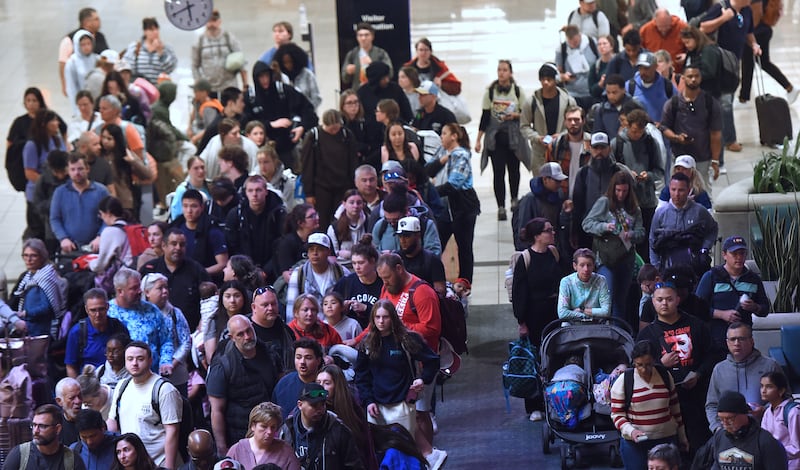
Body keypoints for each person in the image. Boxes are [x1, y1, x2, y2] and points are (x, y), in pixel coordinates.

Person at [354, 299, 441, 467]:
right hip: (376, 406)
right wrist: (368, 400)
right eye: (377, 317)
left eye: (385, 317)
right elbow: (361, 375)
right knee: (378, 450)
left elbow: (432, 361)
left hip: (401, 403)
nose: (381, 321)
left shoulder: (406, 339)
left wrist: (422, 379)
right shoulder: (367, 343)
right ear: (372, 319)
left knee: (404, 450)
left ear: (392, 318)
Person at [637, 281, 716, 455]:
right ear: (653, 302)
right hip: (663, 402)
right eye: (659, 300)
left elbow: (712, 354)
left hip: (696, 398)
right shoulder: (646, 334)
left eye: (669, 299)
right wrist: (660, 365)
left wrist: (698, 373)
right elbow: (637, 370)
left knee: (698, 448)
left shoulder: (697, 325)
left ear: (678, 300)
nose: (664, 303)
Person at [207, 315, 283, 456]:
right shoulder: (223, 365)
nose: (247, 336)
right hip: (239, 437)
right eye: (240, 334)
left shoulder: (269, 352)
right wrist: (222, 447)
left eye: (249, 330)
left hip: (271, 432)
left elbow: (280, 388)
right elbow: (216, 410)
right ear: (231, 337)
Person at [512, 217, 563, 420]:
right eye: (548, 230)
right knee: (534, 360)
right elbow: (519, 293)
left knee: (555, 356)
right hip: (534, 314)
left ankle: (555, 400)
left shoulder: (554, 253)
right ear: (537, 236)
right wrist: (521, 321)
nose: (552, 233)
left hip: (554, 312)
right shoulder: (525, 259)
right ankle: (534, 405)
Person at [611, 340, 688, 469]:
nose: (644, 369)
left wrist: (682, 436)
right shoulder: (625, 380)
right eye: (639, 365)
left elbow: (675, 409)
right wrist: (631, 431)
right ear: (634, 362)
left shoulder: (664, 375)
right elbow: (617, 415)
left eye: (648, 364)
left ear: (654, 361)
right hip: (635, 443)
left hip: (666, 439)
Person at [107, 341, 183, 469]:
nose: (134, 363)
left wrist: (169, 467)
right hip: (131, 464)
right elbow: (112, 423)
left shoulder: (164, 389)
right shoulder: (121, 386)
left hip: (158, 462)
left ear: (150, 360)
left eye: (140, 359)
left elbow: (172, 431)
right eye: (130, 359)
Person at [582, 171, 645, 321]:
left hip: (626, 258)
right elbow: (586, 224)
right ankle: (603, 330)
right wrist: (604, 226)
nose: (621, 194)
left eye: (624, 191)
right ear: (613, 189)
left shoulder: (634, 209)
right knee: (607, 298)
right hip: (606, 257)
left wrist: (632, 234)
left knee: (620, 300)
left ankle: (617, 333)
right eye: (618, 190)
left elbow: (642, 232)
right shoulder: (604, 202)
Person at [700, 0, 761, 154]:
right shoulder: (720, 7)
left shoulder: (746, 10)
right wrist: (724, 18)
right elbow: (703, 27)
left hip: (733, 63)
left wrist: (754, 44)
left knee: (727, 99)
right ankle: (729, 139)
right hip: (718, 63)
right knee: (726, 102)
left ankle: (721, 135)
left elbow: (748, 32)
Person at [697, 236, 770, 358]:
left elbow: (765, 309)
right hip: (716, 339)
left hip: (743, 341)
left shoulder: (753, 279)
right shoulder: (711, 276)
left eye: (742, 253)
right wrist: (721, 314)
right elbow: (697, 308)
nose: (739, 257)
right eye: (734, 254)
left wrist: (754, 307)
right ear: (724, 255)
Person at [475, 60, 529, 221]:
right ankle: (500, 206)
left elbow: (526, 113)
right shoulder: (490, 92)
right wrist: (478, 140)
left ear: (510, 73)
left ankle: (514, 199)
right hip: (496, 139)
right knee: (498, 172)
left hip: (514, 138)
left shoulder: (518, 91)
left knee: (514, 170)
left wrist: (515, 115)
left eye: (505, 70)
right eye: (499, 70)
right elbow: (485, 117)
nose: (501, 73)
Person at [426, 123, 480, 280]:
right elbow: (427, 170)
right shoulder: (442, 151)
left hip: (462, 207)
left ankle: (465, 281)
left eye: (444, 133)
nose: (441, 136)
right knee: (437, 244)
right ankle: (433, 278)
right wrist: (441, 162)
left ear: (454, 136)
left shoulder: (461, 155)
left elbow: (454, 184)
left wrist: (432, 194)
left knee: (464, 247)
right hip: (444, 207)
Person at [705, 322, 781, 433]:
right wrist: (717, 429)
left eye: (741, 339)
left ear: (752, 341)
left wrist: (765, 410)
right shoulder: (719, 369)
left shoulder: (770, 366)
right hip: (729, 434)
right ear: (727, 343)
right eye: (733, 339)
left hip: (765, 431)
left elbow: (785, 398)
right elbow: (711, 405)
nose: (737, 343)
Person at [660, 63, 723, 191]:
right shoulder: (673, 103)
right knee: (678, 191)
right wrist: (677, 138)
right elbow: (664, 127)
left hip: (702, 158)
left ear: (701, 78)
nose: (693, 79)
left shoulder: (710, 102)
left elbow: (716, 133)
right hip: (679, 157)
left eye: (696, 76)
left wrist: (715, 161)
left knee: (703, 191)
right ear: (683, 78)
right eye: (689, 76)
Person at [246, 61, 318, 169]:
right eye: (261, 77)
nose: (265, 80)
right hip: (260, 151)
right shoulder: (251, 97)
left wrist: (302, 127)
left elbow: (308, 109)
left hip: (287, 147)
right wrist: (270, 125)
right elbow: (246, 123)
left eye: (267, 76)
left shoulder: (284, 91)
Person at [693, 390, 788, 470]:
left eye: (730, 418)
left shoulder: (766, 442)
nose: (725, 423)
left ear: (744, 414)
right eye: (721, 419)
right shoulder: (719, 437)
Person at [139, 228, 212, 332]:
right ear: (164, 245)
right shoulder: (150, 269)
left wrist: (202, 324)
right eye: (174, 244)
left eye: (182, 245)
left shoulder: (196, 270)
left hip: (191, 332)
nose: (178, 248)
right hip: (153, 330)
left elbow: (209, 299)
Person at [107, 268, 175, 375]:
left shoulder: (151, 310)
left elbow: (166, 340)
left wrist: (165, 362)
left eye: (139, 286)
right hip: (119, 376)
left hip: (152, 374)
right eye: (134, 288)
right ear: (120, 291)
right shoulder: (107, 312)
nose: (140, 291)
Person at [520, 63, 578, 187]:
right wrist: (537, 137)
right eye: (543, 79)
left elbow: (576, 124)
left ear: (555, 80)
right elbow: (524, 126)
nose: (546, 82)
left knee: (563, 185)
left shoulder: (568, 100)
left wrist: (562, 135)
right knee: (540, 186)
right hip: (540, 152)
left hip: (562, 150)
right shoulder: (531, 102)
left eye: (549, 79)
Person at [649, 172, 718, 273]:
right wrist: (656, 266)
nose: (677, 194)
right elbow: (652, 240)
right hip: (668, 267)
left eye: (681, 190)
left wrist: (705, 249)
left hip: (694, 266)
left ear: (689, 190)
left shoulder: (699, 211)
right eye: (673, 190)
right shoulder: (660, 214)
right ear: (669, 190)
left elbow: (713, 228)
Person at [301, 109, 359, 229]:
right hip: (321, 187)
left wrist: (354, 186)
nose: (333, 131)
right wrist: (309, 193)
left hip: (343, 186)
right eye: (330, 128)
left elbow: (353, 162)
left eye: (336, 127)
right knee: (322, 222)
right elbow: (307, 166)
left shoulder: (346, 135)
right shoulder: (313, 136)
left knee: (341, 221)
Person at [571, 131, 629, 250]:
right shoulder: (583, 173)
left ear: (610, 148)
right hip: (587, 231)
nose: (599, 152)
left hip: (614, 233)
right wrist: (574, 231)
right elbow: (577, 205)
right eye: (596, 147)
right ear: (590, 148)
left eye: (602, 147)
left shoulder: (619, 172)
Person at [141, 273, 192, 396]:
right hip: (146, 375)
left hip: (176, 376)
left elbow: (186, 341)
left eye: (166, 287)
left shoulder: (175, 313)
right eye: (160, 288)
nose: (165, 291)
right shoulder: (139, 315)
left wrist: (172, 363)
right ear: (147, 292)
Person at [316, 365, 376, 469]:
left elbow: (366, 448)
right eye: (318, 383)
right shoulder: (312, 410)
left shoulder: (352, 408)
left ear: (337, 385)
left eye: (327, 383)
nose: (321, 387)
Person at [225, 175, 286, 275]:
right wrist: (246, 269)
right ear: (245, 192)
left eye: (258, 190)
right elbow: (232, 245)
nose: (254, 194)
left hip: (273, 268)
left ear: (266, 191)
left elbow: (282, 245)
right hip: (243, 269)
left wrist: (266, 271)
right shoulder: (236, 214)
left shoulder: (278, 214)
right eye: (250, 190)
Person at [5, 238, 67, 337]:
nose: (28, 260)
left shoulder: (45, 278)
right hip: (28, 328)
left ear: (42, 256)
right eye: (25, 255)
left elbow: (47, 308)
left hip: (40, 331)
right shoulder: (29, 276)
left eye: (33, 256)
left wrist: (25, 313)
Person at [740, 1, 798, 104]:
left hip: (758, 30)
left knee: (748, 63)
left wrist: (747, 32)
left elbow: (754, 16)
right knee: (761, 63)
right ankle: (789, 88)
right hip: (762, 28)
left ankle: (743, 99)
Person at [23, 109, 67, 239]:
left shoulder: (57, 140)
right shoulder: (32, 145)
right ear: (44, 124)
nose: (57, 123)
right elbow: (29, 172)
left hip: (57, 193)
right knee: (39, 232)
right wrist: (49, 181)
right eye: (53, 120)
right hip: (39, 195)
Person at [65, 288, 129, 377]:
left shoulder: (118, 327)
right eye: (93, 310)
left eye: (101, 309)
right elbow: (70, 366)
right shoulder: (77, 332)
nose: (98, 314)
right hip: (89, 382)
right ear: (87, 310)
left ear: (107, 307)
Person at [2, 404, 87, 470]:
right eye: (34, 425)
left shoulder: (72, 460)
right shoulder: (20, 455)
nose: (36, 431)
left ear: (57, 429)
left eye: (42, 426)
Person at [285, 234, 350, 319]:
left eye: (319, 249)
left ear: (328, 252)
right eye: (311, 250)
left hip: (336, 326)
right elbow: (291, 307)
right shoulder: (298, 274)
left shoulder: (341, 272)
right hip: (309, 326)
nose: (315, 253)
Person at [225, 402, 300, 470]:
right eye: (264, 426)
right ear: (253, 426)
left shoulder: (285, 451)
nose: (269, 432)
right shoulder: (237, 450)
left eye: (273, 427)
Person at [99, 123, 153, 215]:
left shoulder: (126, 154)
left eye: (109, 138)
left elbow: (147, 174)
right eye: (103, 137)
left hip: (125, 203)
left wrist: (133, 161)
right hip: (105, 202)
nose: (105, 141)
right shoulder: (99, 156)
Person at [192, 9, 248, 94]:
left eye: (214, 21)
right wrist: (199, 85)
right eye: (209, 21)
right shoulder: (200, 41)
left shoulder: (228, 38)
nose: (211, 24)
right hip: (209, 88)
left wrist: (245, 85)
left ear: (219, 21)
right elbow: (195, 65)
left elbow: (241, 61)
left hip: (229, 86)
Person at [332, 237, 383, 329]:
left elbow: (392, 312)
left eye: (361, 263)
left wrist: (366, 308)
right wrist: (341, 308)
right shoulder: (346, 282)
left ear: (372, 261)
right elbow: (329, 308)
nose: (357, 267)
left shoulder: (383, 282)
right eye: (354, 263)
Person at [58, 8, 109, 98]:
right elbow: (63, 64)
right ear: (87, 22)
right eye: (96, 19)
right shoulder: (69, 40)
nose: (99, 21)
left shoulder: (100, 37)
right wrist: (65, 85)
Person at [271, 338, 324, 420]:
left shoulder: (324, 384)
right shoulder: (284, 384)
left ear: (318, 360)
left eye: (308, 358)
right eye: (298, 357)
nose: (302, 362)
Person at [394, 216, 446, 296]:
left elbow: (440, 292)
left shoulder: (431, 260)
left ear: (418, 235)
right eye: (400, 236)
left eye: (407, 236)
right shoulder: (395, 259)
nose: (402, 240)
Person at [547, 106, 591, 198]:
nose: (573, 123)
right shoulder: (556, 145)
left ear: (583, 121)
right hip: (561, 195)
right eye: (569, 120)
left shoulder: (592, 144)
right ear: (565, 122)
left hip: (586, 195)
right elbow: (548, 173)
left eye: (576, 119)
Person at [249, 285, 296, 370]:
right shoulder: (244, 330)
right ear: (254, 307)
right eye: (265, 305)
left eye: (273, 304)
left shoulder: (286, 331)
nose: (270, 308)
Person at [760, 371, 800, 469]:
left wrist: (774, 452)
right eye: (762, 386)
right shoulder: (767, 412)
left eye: (769, 387)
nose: (763, 390)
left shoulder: (793, 412)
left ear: (781, 391)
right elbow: (764, 440)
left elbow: (797, 448)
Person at [557, 248, 611, 320]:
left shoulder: (601, 280)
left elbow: (606, 311)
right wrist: (587, 314)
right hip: (572, 326)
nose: (586, 269)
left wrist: (581, 310)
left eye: (589, 265)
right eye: (582, 265)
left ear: (593, 266)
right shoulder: (566, 282)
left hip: (596, 325)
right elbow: (562, 313)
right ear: (575, 266)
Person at [122, 17, 178, 85]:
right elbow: (127, 67)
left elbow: (170, 69)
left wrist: (161, 54)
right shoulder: (135, 47)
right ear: (145, 31)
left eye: (156, 29)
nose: (155, 32)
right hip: (139, 87)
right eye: (151, 30)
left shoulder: (167, 49)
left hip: (158, 87)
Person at [555, 25, 599, 108]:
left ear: (580, 35)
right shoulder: (562, 50)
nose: (573, 45)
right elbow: (557, 74)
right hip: (573, 93)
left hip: (592, 92)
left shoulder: (592, 43)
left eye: (575, 42)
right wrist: (563, 77)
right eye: (570, 42)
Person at [626, 51, 677, 123]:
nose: (643, 72)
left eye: (646, 68)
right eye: (640, 68)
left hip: (661, 130)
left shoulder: (667, 86)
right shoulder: (630, 86)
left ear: (655, 67)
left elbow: (677, 109)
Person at [205, 281, 251, 361]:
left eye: (237, 296)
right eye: (228, 296)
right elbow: (211, 357)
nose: (232, 300)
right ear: (221, 298)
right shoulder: (214, 320)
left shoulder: (251, 318)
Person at [341, 22, 393, 90]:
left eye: (366, 35)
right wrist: (348, 73)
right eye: (360, 35)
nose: (363, 38)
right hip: (358, 92)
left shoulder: (381, 53)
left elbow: (390, 73)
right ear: (357, 37)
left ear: (372, 37)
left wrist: (373, 65)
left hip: (377, 92)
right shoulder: (352, 54)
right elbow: (345, 79)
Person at [274, 204, 319, 282]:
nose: (317, 218)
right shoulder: (287, 243)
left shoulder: (320, 237)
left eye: (316, 214)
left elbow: (332, 259)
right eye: (312, 216)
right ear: (301, 223)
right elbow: (287, 274)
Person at [326, 190, 367, 268]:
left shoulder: (368, 222)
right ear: (344, 204)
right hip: (342, 266)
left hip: (364, 265)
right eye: (351, 202)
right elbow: (333, 252)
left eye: (359, 203)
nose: (355, 206)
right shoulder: (334, 227)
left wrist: (349, 254)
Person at [274, 43, 322, 109]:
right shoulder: (280, 77)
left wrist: (308, 110)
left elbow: (317, 98)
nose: (288, 65)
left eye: (290, 61)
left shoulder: (307, 75)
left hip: (307, 115)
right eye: (285, 62)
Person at [640, 9, 688, 73]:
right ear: (655, 21)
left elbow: (693, 47)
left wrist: (687, 56)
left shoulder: (682, 27)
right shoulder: (645, 30)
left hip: (678, 71)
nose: (664, 30)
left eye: (667, 26)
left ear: (671, 20)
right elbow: (640, 52)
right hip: (653, 73)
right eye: (660, 27)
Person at [64, 30, 99, 116]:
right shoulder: (72, 63)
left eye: (88, 44)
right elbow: (71, 87)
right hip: (82, 102)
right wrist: (77, 109)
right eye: (83, 44)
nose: (86, 47)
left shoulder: (97, 59)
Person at [591, 73, 634, 137]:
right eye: (608, 92)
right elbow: (597, 133)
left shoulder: (634, 106)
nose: (611, 96)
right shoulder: (601, 110)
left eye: (614, 92)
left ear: (623, 90)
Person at [169, 157, 210, 223]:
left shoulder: (210, 187)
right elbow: (176, 217)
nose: (201, 171)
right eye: (196, 168)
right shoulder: (182, 190)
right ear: (189, 170)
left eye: (202, 167)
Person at [55, 377, 84, 446]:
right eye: (72, 398)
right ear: (59, 401)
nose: (78, 401)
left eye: (80, 396)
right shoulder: (54, 427)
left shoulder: (93, 419)